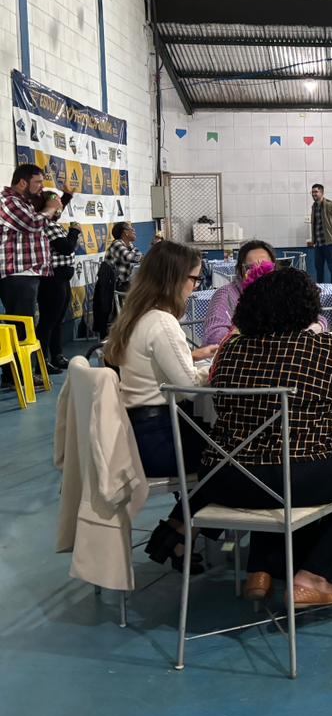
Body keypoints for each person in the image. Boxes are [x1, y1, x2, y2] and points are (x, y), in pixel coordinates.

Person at [204, 268, 332, 605]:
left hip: (226, 477)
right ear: (306, 307)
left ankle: (262, 568)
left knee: (283, 464)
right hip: (294, 477)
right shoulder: (320, 350)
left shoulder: (230, 350)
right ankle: (312, 576)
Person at [105, 241, 218, 570]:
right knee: (237, 459)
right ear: (176, 279)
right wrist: (217, 368)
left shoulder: (136, 315)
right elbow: (189, 389)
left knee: (226, 452)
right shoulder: (162, 322)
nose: (195, 287)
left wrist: (193, 361)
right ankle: (179, 530)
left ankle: (178, 533)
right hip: (160, 439)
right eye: (194, 279)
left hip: (139, 432)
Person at [202, 240, 329, 347]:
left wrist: (315, 328)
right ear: (241, 270)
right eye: (251, 267)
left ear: (274, 268)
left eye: (265, 266)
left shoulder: (282, 291)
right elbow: (213, 335)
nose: (258, 272)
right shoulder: (225, 294)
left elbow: (315, 318)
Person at [0, 164, 64, 319]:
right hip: (18, 274)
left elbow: (48, 218)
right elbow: (32, 223)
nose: (42, 186)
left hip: (30, 273)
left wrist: (54, 203)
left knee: (29, 322)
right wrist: (50, 208)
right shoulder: (8, 201)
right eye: (38, 182)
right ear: (23, 183)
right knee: (22, 324)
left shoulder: (26, 203)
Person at [38, 191, 81, 371]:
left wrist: (67, 195)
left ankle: (56, 355)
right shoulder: (48, 225)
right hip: (52, 278)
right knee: (48, 321)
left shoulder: (51, 222)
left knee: (57, 319)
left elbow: (56, 207)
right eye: (56, 203)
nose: (60, 206)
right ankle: (42, 362)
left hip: (61, 278)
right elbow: (66, 248)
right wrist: (74, 231)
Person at [309, 184, 332, 284]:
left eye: (316, 192)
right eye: (312, 192)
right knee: (318, 268)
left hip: (330, 243)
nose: (314, 194)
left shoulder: (330, 205)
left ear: (322, 193)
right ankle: (320, 289)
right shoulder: (314, 206)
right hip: (318, 243)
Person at [103, 222, 144, 289]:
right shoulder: (116, 244)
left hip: (126, 283)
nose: (134, 230)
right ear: (125, 232)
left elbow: (140, 256)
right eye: (131, 228)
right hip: (116, 285)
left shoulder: (130, 245)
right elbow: (129, 257)